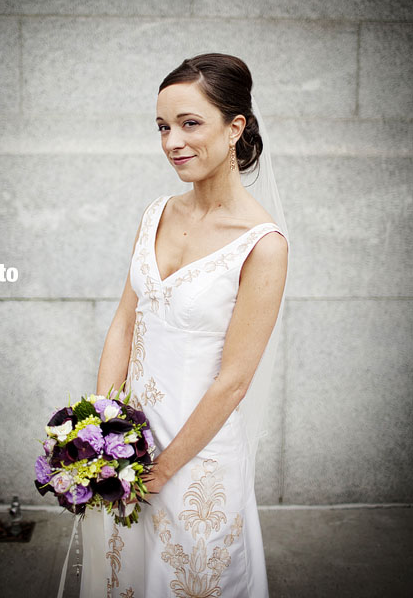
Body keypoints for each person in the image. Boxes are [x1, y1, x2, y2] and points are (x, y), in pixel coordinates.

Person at [82, 53, 288, 597]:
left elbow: (234, 380)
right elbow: (126, 322)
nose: (173, 141)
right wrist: (104, 430)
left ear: (235, 127)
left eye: (190, 123)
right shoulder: (156, 213)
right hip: (132, 442)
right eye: (163, 127)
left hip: (200, 458)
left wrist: (161, 471)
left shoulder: (262, 245)